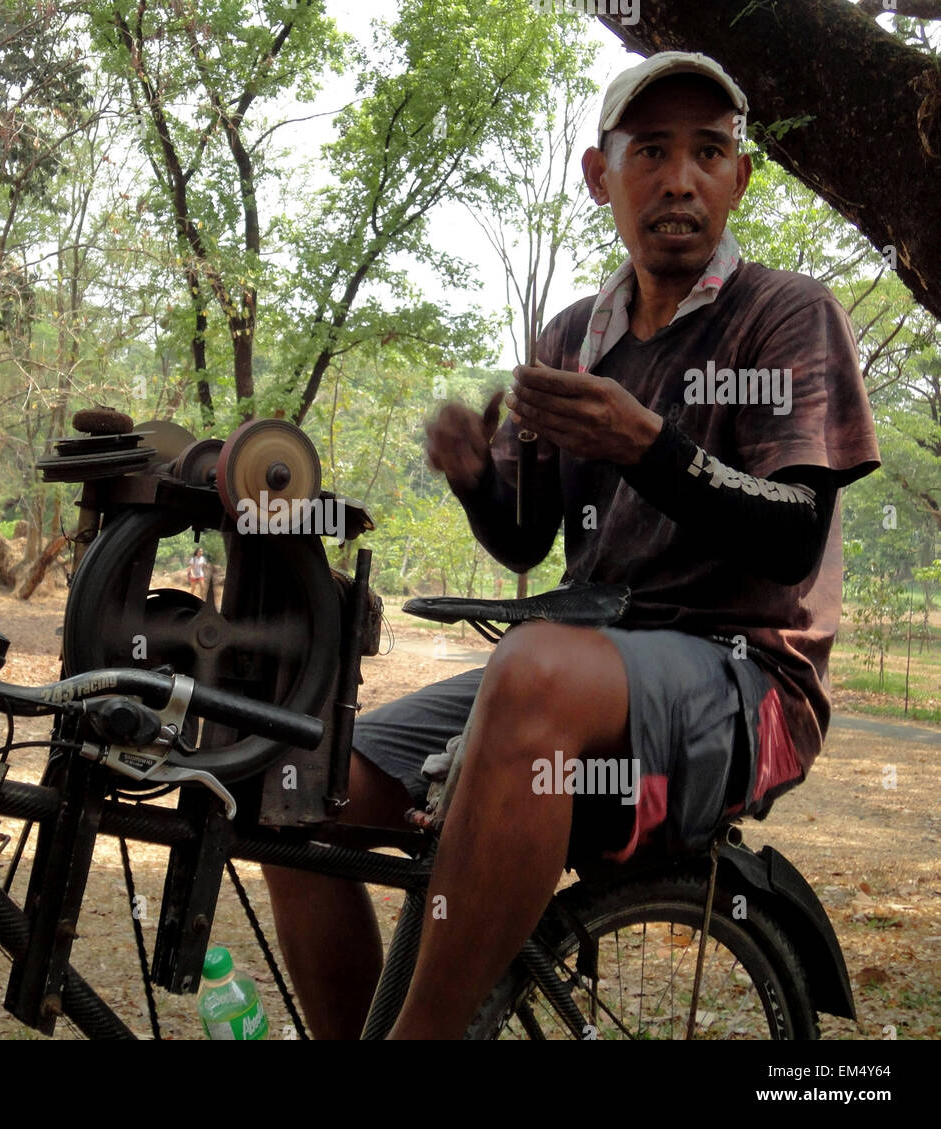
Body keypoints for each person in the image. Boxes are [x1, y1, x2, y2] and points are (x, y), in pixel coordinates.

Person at [261, 50, 881, 1040]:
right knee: (293, 782)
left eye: (708, 151)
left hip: (747, 681)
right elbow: (524, 533)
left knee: (535, 667)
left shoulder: (783, 314)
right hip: (591, 662)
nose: (679, 178)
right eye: (651, 151)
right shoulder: (572, 339)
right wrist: (473, 474)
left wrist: (649, 446)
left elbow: (793, 536)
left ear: (738, 177)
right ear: (601, 175)